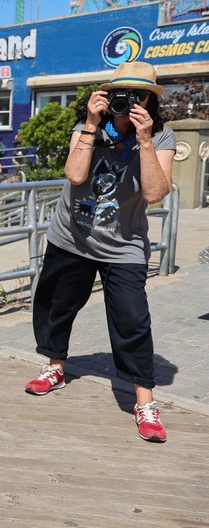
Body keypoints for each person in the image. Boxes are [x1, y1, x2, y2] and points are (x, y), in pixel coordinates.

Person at [25, 61, 175, 443]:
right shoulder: (87, 127)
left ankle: (145, 401)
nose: (130, 101)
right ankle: (55, 367)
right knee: (58, 306)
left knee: (132, 320)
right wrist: (91, 124)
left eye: (139, 95)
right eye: (121, 94)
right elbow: (75, 175)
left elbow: (156, 193)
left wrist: (142, 140)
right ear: (107, 95)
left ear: (150, 101)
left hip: (123, 246)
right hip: (72, 237)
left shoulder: (161, 137)